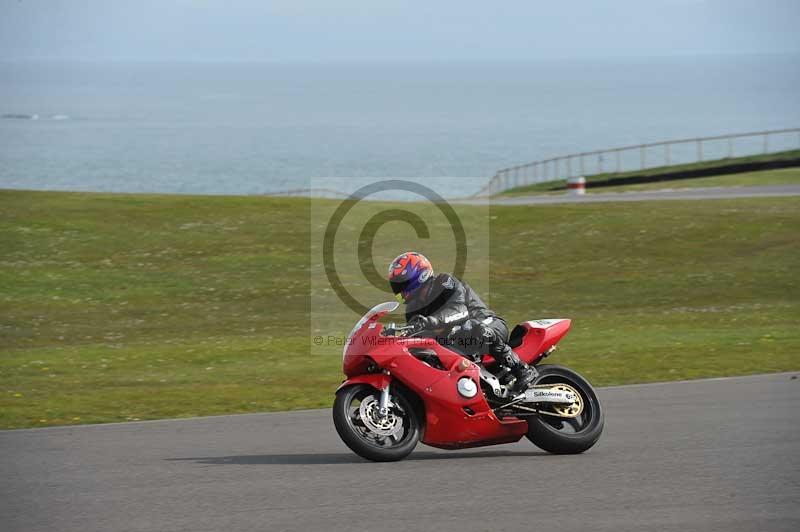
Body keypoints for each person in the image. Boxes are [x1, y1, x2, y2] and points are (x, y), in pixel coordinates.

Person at [387, 251, 537, 393]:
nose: (399, 289)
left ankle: (522, 369)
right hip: (459, 342)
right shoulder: (412, 309)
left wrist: (430, 321)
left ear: (419, 276)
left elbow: (460, 310)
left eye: (401, 283)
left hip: (486, 324)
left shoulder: (444, 283)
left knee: (473, 327)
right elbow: (419, 337)